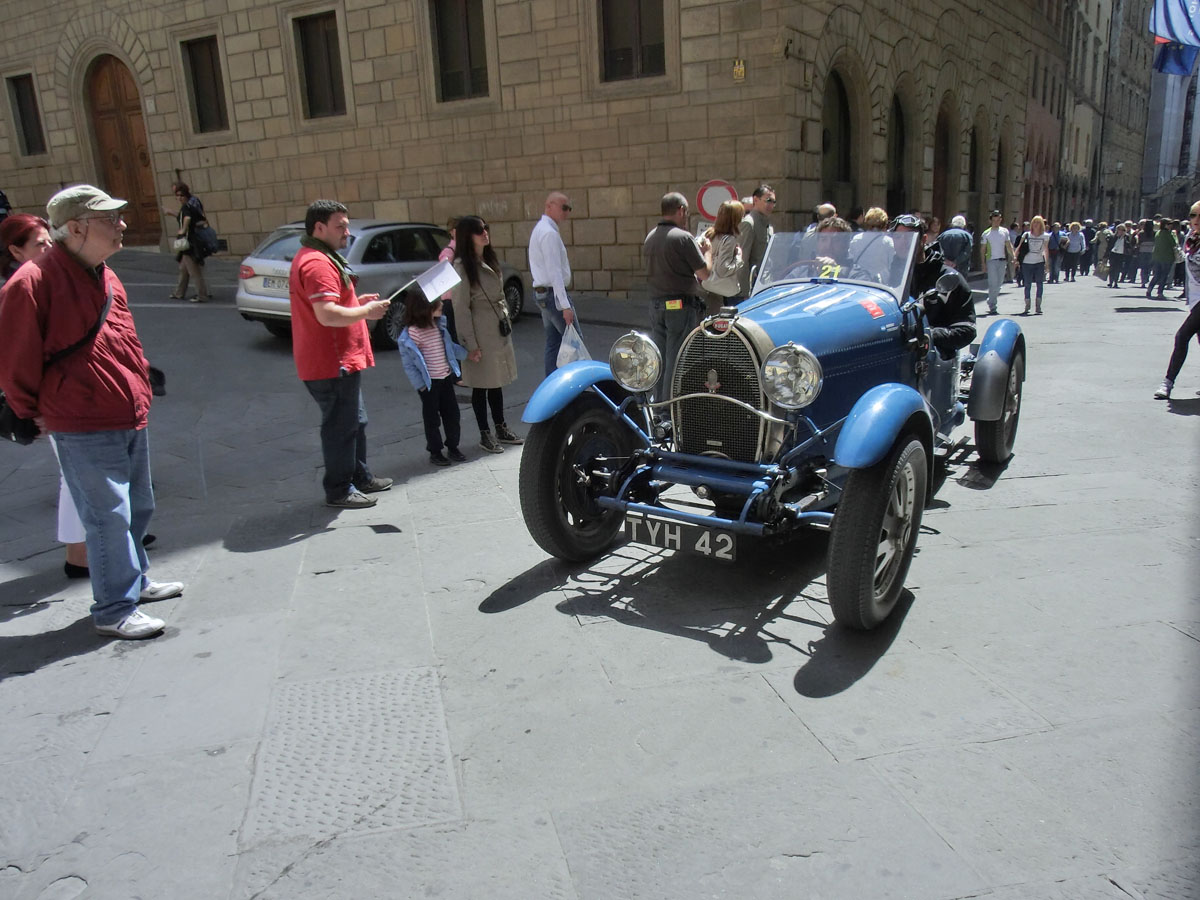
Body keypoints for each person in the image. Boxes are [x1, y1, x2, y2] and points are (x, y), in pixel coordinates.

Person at [0, 185, 183, 640]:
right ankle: (113, 608)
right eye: (110, 219)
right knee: (107, 516)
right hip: (79, 418)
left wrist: (140, 383)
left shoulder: (106, 274)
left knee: (139, 505)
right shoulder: (31, 282)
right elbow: (14, 358)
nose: (122, 224)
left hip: (125, 409)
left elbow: (123, 337)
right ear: (76, 227)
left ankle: (136, 583)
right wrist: (27, 411)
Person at [289, 199, 393, 509]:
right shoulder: (318, 263)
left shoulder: (319, 256)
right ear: (319, 228)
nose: (346, 232)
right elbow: (327, 314)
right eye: (340, 226)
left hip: (340, 360)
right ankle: (338, 489)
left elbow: (331, 306)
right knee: (340, 427)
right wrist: (366, 310)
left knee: (355, 422)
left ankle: (359, 476)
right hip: (332, 363)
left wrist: (355, 302)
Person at [452, 215, 523, 453]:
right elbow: (460, 308)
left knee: (497, 382)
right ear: (467, 236)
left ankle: (501, 426)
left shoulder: (489, 258)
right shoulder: (462, 266)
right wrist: (470, 344)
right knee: (481, 385)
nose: (485, 233)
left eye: (486, 228)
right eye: (478, 230)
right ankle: (485, 433)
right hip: (479, 331)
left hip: (497, 328)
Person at [645, 192, 710, 401]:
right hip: (679, 307)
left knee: (661, 360)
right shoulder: (683, 237)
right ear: (681, 210)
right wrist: (707, 252)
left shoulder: (651, 237)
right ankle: (669, 410)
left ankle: (659, 404)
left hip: (656, 306)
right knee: (677, 360)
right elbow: (704, 274)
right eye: (687, 212)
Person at [397, 294, 467, 466]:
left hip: (445, 378)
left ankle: (453, 446)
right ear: (424, 308)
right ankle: (435, 451)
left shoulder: (438, 326)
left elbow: (450, 348)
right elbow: (409, 365)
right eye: (437, 303)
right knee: (432, 419)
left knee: (452, 414)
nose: (441, 304)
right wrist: (420, 385)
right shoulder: (412, 333)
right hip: (429, 384)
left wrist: (467, 355)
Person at [1154, 202, 1200, 399]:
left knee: (1182, 337)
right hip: (1195, 298)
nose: (1196, 220)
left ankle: (1168, 383)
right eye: (1193, 215)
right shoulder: (1190, 239)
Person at [527, 191, 576, 375]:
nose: (566, 212)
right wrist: (565, 305)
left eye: (569, 208)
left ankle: (551, 385)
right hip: (551, 294)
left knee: (553, 343)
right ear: (549, 206)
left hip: (544, 293)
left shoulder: (542, 229)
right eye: (563, 207)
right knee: (574, 342)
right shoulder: (548, 233)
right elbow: (554, 272)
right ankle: (574, 388)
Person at [165, 182, 211, 303]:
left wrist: (184, 229)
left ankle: (202, 295)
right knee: (183, 269)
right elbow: (201, 220)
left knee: (193, 271)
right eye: (177, 195)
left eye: (181, 195)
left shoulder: (187, 208)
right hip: (190, 241)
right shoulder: (189, 207)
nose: (179, 198)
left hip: (188, 243)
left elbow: (187, 218)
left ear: (186, 195)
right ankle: (179, 293)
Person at [701, 199, 744, 310]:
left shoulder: (708, 233)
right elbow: (723, 270)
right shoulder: (729, 240)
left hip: (705, 288)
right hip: (720, 292)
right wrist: (738, 259)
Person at [736, 184, 775, 297]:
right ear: (756, 200)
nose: (771, 205)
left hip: (766, 285)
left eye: (773, 202)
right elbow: (742, 261)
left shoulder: (767, 225)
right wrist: (744, 292)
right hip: (753, 288)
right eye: (768, 200)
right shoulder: (749, 223)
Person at [847, 206, 894, 282]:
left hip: (859, 280)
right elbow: (891, 264)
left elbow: (850, 259)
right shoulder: (888, 241)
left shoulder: (856, 238)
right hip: (879, 282)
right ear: (884, 223)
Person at [980, 210, 1013, 314]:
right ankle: (992, 305)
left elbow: (1008, 245)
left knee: (999, 284)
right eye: (994, 220)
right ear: (990, 221)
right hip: (991, 260)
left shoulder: (1004, 231)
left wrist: (1013, 256)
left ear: (1000, 220)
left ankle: (991, 299)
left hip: (1002, 260)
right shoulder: (986, 233)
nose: (996, 222)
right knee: (993, 283)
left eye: (998, 220)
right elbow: (983, 249)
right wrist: (983, 263)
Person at [1018, 216, 1051, 314]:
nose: (1036, 224)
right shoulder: (1026, 234)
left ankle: (1038, 306)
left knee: (1039, 284)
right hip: (1027, 262)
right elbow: (1019, 247)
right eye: (1034, 222)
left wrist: (1047, 263)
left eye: (1038, 222)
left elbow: (1045, 250)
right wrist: (1015, 258)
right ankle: (1027, 305)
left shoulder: (1045, 236)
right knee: (1027, 284)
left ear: (1041, 224)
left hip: (1039, 262)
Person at [436, 216, 459, 342]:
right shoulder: (449, 252)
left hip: (458, 299)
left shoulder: (462, 250)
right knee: (454, 337)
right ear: (453, 232)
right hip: (450, 300)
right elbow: (443, 277)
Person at [1148, 218, 1179, 300]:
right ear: (1165, 225)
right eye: (1169, 224)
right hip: (1167, 257)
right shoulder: (1168, 234)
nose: (1171, 226)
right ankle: (1160, 292)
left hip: (1157, 257)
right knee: (1164, 275)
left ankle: (1149, 289)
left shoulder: (1158, 233)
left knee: (1157, 275)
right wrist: (1174, 235)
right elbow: (1174, 243)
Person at [1106, 223, 1131, 289]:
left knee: (1118, 269)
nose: (1120, 231)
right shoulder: (1113, 236)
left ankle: (1116, 282)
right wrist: (1106, 255)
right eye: (1119, 229)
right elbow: (1109, 246)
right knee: (1112, 268)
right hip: (1113, 253)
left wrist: (1124, 237)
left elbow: (1128, 245)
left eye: (1122, 230)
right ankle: (1111, 282)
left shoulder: (1126, 236)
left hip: (1121, 254)